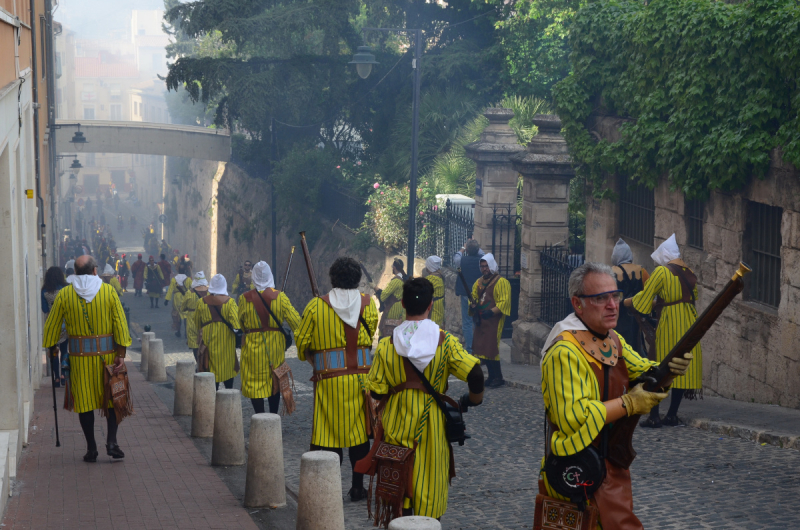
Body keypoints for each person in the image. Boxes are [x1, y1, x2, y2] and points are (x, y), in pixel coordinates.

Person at [539, 262, 691, 529]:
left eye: (615, 296)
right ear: (578, 304)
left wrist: (670, 370)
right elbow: (575, 417)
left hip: (611, 468)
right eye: (600, 298)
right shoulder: (564, 351)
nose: (612, 305)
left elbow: (646, 373)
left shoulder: (613, 340)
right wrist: (630, 403)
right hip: (579, 471)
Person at [365, 277, 484, 521]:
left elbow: (376, 391)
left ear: (402, 304)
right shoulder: (446, 342)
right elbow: (474, 372)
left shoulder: (387, 345)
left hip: (397, 429)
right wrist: (472, 400)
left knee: (400, 489)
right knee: (430, 487)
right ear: (430, 305)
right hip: (432, 431)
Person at [295, 257, 379, 502]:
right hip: (361, 380)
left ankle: (329, 487)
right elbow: (370, 332)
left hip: (329, 380)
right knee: (359, 435)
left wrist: (312, 356)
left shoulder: (315, 306)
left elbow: (301, 341)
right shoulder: (368, 304)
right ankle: (356, 487)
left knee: (328, 434)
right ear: (358, 279)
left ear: (332, 278)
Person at [43, 255, 132, 462]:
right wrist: (120, 354)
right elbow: (120, 323)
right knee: (112, 399)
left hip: (79, 359)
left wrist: (51, 346)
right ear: (95, 271)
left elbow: (52, 324)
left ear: (74, 272)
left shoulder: (65, 295)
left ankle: (91, 449)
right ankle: (111, 442)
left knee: (84, 403)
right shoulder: (108, 291)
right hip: (108, 357)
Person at [626, 234, 701, 427]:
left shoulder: (662, 272)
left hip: (670, 322)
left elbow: (645, 297)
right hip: (689, 322)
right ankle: (672, 415)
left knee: (658, 365)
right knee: (679, 366)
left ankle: (654, 416)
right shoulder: (690, 272)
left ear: (665, 256)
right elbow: (695, 296)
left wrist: (627, 303)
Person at [238, 261, 302, 414]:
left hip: (252, 347)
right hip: (275, 348)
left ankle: (259, 416)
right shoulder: (280, 297)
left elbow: (241, 324)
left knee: (254, 383)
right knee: (275, 380)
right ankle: (273, 416)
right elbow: (296, 323)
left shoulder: (244, 298)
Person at [469, 254, 511, 388]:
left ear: (491, 265)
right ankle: (491, 376)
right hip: (481, 319)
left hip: (494, 320)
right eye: (482, 267)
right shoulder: (478, 282)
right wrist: (472, 305)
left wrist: (491, 312)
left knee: (492, 347)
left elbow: (504, 302)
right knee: (482, 347)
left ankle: (498, 377)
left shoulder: (501, 282)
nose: (484, 269)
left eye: (486, 266)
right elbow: (474, 297)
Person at [193, 274, 241, 389]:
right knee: (228, 372)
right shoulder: (230, 302)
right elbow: (237, 324)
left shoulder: (201, 302)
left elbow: (197, 322)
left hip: (208, 344)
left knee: (211, 373)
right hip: (226, 345)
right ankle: (228, 396)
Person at [453, 239, 484, 354]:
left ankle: (470, 349)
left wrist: (463, 247)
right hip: (480, 295)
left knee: (467, 322)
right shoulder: (482, 261)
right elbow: (483, 253)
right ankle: (479, 348)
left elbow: (456, 257)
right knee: (479, 321)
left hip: (466, 294)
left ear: (467, 251)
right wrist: (475, 247)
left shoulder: (462, 260)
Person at [41, 266, 70, 387]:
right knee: (64, 350)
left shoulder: (44, 291)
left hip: (51, 323)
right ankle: (64, 374)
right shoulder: (66, 288)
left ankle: (56, 378)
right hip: (64, 322)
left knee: (53, 351)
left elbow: (44, 308)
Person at [376, 258, 407, 338]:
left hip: (392, 310)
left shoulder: (396, 281)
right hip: (402, 309)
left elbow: (383, 296)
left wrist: (377, 291)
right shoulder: (404, 280)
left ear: (394, 267)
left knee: (386, 333)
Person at [182, 271, 208, 363]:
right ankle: (205, 362)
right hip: (205, 318)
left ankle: (198, 362)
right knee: (205, 339)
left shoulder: (189, 293)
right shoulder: (208, 292)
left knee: (194, 341)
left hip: (192, 318)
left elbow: (183, 307)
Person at [422, 255, 445, 328]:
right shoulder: (440, 276)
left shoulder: (431, 278)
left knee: (432, 328)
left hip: (433, 308)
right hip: (440, 306)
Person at [165, 273, 189, 338]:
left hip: (176, 298)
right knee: (186, 315)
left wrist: (167, 299)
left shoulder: (174, 279)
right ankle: (186, 333)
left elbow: (170, 290)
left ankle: (178, 331)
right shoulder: (188, 279)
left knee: (177, 315)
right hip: (186, 297)